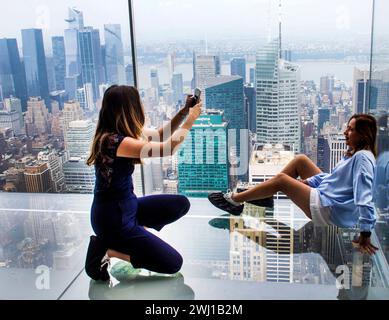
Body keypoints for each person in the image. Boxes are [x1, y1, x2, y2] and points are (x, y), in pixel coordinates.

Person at [208, 114, 379, 255]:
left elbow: (364, 196)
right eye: (347, 127)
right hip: (330, 195)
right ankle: (265, 196)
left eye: (351, 129)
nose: (345, 132)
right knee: (301, 161)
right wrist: (308, 182)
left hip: (329, 209)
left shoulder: (362, 159)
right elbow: (333, 180)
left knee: (282, 180)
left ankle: (235, 201)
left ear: (364, 135)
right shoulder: (357, 154)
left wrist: (365, 232)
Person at [85, 85, 202, 281]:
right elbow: (168, 148)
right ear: (130, 109)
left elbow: (159, 136)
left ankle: (135, 235)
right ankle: (108, 250)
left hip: (127, 208)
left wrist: (183, 112)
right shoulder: (115, 142)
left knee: (181, 203)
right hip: (114, 221)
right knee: (173, 263)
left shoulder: (118, 134)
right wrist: (191, 120)